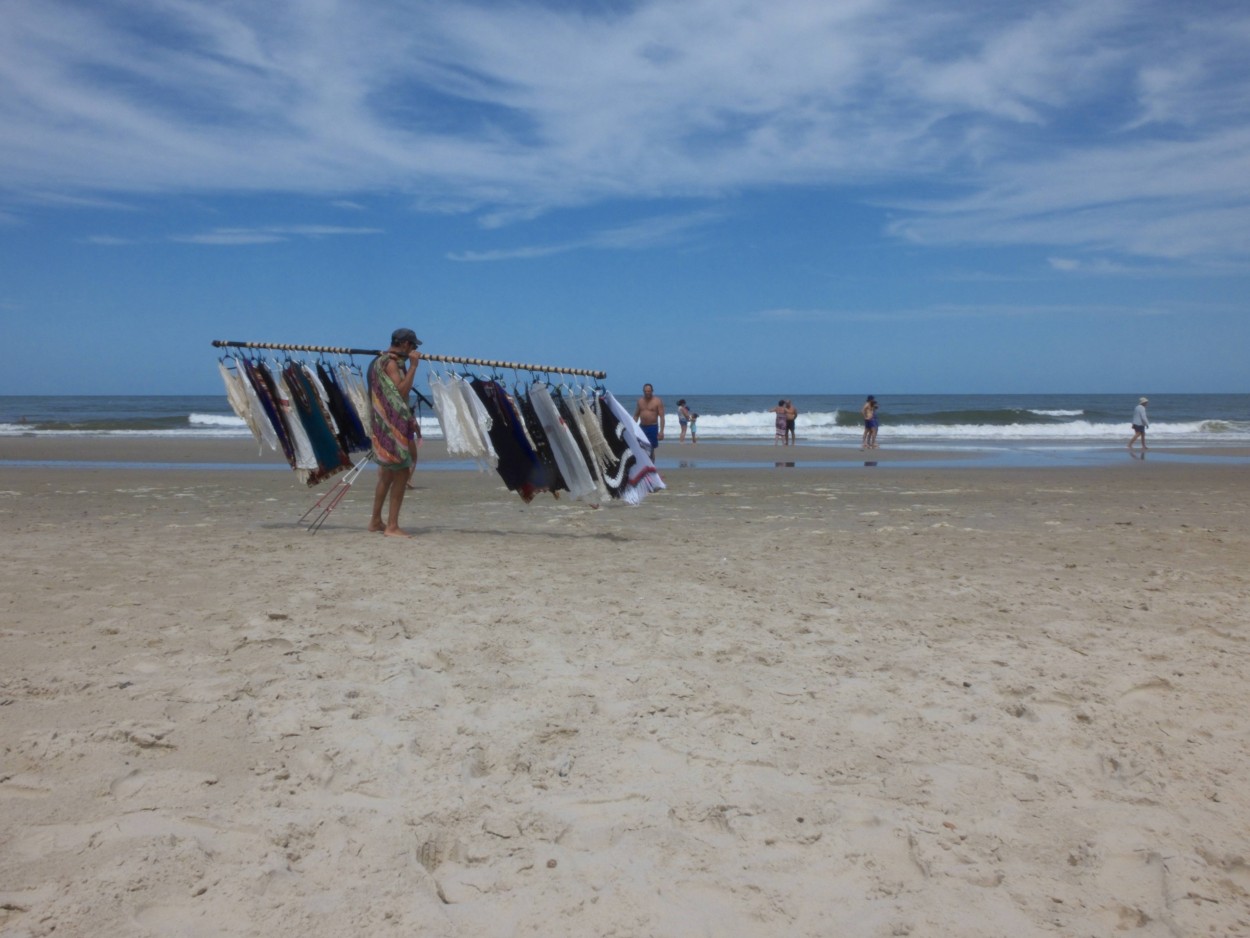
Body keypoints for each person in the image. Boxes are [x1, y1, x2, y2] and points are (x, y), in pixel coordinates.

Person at [367, 328, 422, 537]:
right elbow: (400, 392)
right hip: (392, 428)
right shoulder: (390, 364)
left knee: (387, 474)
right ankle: (391, 526)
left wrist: (410, 419)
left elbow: (392, 398)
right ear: (405, 344)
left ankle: (375, 521)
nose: (415, 349)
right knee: (401, 472)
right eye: (414, 346)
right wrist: (414, 367)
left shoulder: (379, 362)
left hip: (382, 425)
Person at [634, 383, 665, 453]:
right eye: (645, 391)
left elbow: (662, 417)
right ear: (643, 391)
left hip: (652, 427)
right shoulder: (640, 401)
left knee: (651, 449)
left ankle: (651, 464)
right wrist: (632, 427)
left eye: (649, 391)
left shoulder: (657, 401)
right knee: (640, 448)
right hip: (642, 427)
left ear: (652, 391)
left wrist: (661, 432)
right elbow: (636, 415)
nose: (647, 392)